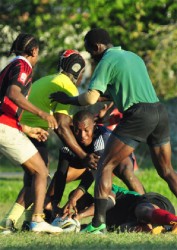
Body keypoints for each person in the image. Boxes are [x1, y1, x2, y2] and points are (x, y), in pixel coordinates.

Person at [49, 28, 177, 233]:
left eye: (90, 52)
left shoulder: (106, 60)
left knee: (104, 165)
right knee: (167, 170)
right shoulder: (132, 57)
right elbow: (113, 92)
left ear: (97, 47)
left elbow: (90, 98)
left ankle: (97, 224)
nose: (92, 57)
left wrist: (69, 100)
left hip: (138, 114)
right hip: (158, 111)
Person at [0, 49, 99, 233]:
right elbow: (61, 125)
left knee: (33, 178)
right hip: (32, 132)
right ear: (79, 72)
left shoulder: (49, 79)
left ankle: (28, 221)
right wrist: (83, 155)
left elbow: (63, 121)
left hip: (23, 127)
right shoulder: (67, 86)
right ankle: (11, 220)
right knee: (41, 175)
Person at [0, 33, 62, 234]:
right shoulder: (23, 66)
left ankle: (8, 222)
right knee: (41, 171)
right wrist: (42, 113)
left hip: (6, 126)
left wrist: (26, 129)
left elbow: (4, 104)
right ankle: (36, 219)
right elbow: (13, 94)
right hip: (4, 128)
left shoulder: (8, 66)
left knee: (33, 171)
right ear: (34, 51)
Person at [46, 110, 144, 220]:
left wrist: (73, 198)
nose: (82, 135)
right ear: (73, 128)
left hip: (115, 157)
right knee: (65, 186)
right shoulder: (70, 141)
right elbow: (61, 173)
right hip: (87, 162)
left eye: (86, 130)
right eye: (78, 131)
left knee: (124, 171)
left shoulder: (101, 139)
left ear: (94, 126)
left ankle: (145, 203)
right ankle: (51, 211)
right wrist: (55, 203)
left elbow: (94, 172)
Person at [63, 185, 177, 235]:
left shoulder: (105, 189)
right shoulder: (100, 222)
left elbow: (109, 202)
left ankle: (175, 221)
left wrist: (80, 216)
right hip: (145, 221)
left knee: (142, 210)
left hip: (151, 203)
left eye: (77, 199)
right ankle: (161, 229)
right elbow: (83, 229)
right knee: (125, 228)